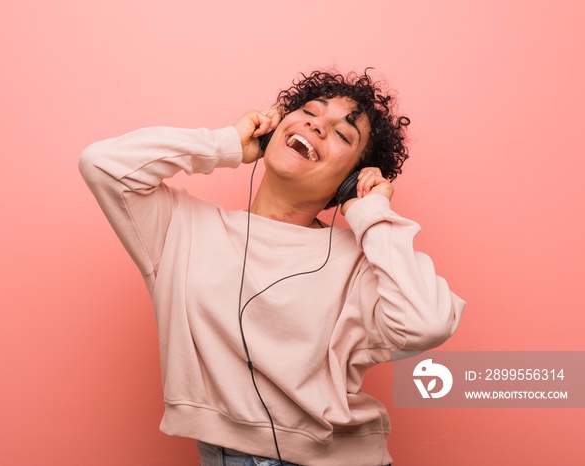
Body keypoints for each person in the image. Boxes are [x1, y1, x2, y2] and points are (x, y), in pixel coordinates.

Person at [79, 70, 465, 466]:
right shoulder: (180, 227)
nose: (317, 124)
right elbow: (102, 163)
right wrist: (225, 143)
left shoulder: (362, 262)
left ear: (349, 181)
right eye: (310, 112)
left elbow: (427, 323)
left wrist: (371, 211)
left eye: (342, 135)